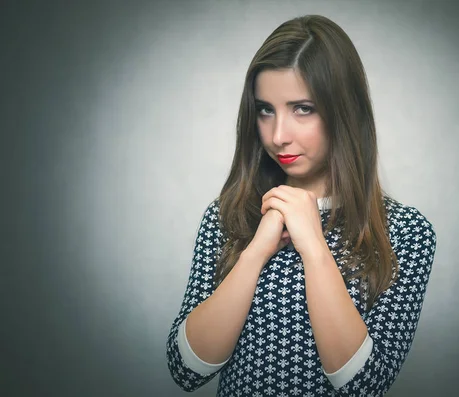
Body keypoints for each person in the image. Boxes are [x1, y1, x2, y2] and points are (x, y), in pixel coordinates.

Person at [166, 14, 437, 397]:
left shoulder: (404, 233)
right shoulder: (230, 217)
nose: (278, 136)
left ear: (344, 111)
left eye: (302, 109)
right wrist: (255, 253)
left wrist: (314, 247)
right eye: (266, 110)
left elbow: (363, 386)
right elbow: (186, 370)